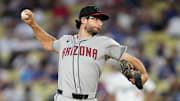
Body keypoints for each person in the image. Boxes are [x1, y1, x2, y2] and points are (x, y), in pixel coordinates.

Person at [21, 5, 148, 101]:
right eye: (96, 19)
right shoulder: (65, 40)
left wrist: (143, 74)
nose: (100, 23)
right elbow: (49, 44)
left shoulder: (105, 43)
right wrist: (33, 25)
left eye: (101, 20)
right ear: (83, 20)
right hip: (63, 97)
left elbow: (129, 58)